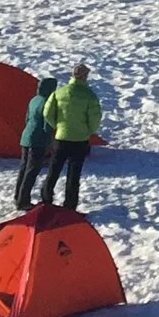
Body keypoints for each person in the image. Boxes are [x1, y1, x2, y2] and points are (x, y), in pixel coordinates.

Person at [41, 63, 103, 210]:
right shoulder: (90, 95)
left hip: (61, 138)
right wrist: (89, 131)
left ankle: (46, 199)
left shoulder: (59, 92)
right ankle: (69, 205)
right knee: (74, 175)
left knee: (53, 170)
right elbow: (95, 118)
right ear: (86, 76)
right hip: (80, 140)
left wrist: (57, 125)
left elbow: (47, 113)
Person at [13, 74, 59, 209]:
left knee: (23, 168)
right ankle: (23, 201)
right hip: (38, 139)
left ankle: (18, 196)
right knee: (32, 170)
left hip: (26, 136)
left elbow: (27, 118)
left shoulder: (34, 99)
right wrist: (49, 137)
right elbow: (47, 124)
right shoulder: (47, 102)